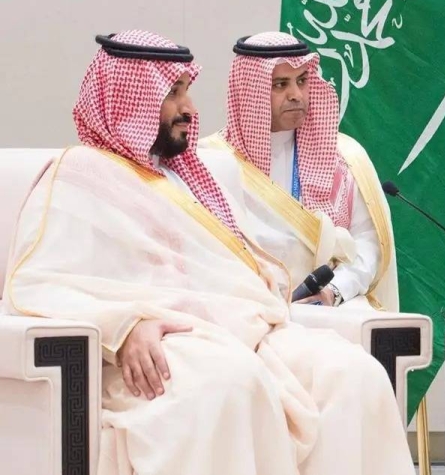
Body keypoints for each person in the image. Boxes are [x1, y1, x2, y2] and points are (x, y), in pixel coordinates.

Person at [2, 31, 413, 475]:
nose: (190, 108)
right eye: (173, 93)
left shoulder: (188, 175)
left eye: (187, 91)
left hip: (246, 327)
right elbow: (37, 284)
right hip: (165, 343)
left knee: (353, 375)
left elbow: (239, 265)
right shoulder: (82, 174)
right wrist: (124, 326)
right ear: (127, 101)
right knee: (233, 383)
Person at [201, 31, 397, 310]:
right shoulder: (211, 160)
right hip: (243, 307)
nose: (296, 95)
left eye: (302, 81)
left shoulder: (344, 158)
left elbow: (368, 242)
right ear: (250, 92)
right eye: (280, 84)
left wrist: (333, 292)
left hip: (328, 307)